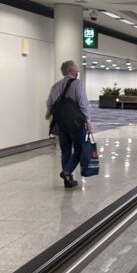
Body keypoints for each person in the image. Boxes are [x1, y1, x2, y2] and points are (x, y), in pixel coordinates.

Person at [46, 60, 92, 189]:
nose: (77, 71)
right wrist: (88, 121)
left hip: (61, 124)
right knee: (80, 149)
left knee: (65, 151)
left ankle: (68, 180)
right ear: (71, 70)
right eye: (76, 69)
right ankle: (67, 171)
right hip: (76, 124)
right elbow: (83, 104)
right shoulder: (77, 84)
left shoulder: (55, 86)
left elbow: (49, 104)